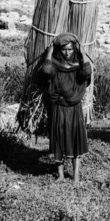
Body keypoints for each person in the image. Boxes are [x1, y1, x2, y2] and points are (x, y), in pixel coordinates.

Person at [40, 32, 91, 183]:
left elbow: (87, 72)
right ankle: (61, 175)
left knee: (75, 141)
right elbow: (46, 71)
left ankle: (76, 176)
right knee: (58, 140)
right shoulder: (54, 64)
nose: (67, 53)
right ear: (58, 50)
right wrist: (49, 52)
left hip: (74, 109)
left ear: (75, 49)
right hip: (59, 108)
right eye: (64, 49)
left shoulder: (79, 65)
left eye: (70, 49)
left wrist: (82, 52)